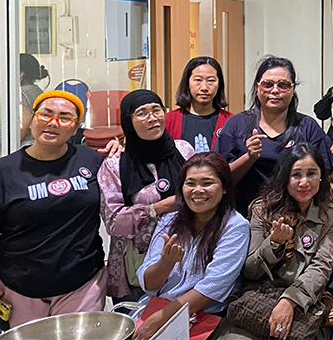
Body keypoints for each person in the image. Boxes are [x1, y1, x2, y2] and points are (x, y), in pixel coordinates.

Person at [0, 91, 105, 327]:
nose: (53, 122)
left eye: (65, 118)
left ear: (75, 128)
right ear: (32, 119)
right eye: (45, 114)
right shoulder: (2, 172)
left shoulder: (91, 160)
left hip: (81, 283)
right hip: (18, 286)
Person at [222, 144, 333, 340]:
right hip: (259, 296)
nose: (304, 182)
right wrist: (273, 244)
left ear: (321, 176)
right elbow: (251, 270)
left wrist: (290, 300)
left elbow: (321, 268)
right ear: (285, 178)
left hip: (304, 301)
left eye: (311, 174)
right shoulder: (262, 209)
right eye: (296, 175)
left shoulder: (330, 215)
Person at [133, 153, 249, 340]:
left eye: (207, 183)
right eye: (190, 183)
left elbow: (212, 287)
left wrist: (159, 319)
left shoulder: (235, 226)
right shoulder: (169, 220)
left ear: (225, 188)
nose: (198, 190)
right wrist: (165, 263)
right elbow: (148, 284)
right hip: (155, 306)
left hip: (203, 315)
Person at [99, 90, 196, 301]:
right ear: (128, 121)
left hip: (186, 256)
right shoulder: (115, 165)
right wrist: (156, 208)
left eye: (156, 110)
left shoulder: (184, 150)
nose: (152, 118)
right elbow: (113, 222)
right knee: (138, 320)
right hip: (137, 263)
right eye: (142, 113)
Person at [215, 55, 333, 216]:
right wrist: (249, 157)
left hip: (296, 217)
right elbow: (221, 179)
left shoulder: (308, 127)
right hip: (243, 215)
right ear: (257, 87)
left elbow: (324, 177)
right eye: (268, 84)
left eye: (283, 85)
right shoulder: (237, 124)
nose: (275, 90)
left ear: (293, 89)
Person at [165, 56, 233, 153]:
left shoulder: (230, 121)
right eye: (198, 80)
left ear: (219, 85)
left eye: (211, 80)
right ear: (187, 83)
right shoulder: (169, 120)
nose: (204, 87)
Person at [19, 52, 48, 146]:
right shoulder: (37, 91)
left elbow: (21, 128)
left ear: (20, 74)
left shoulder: (22, 94)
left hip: (22, 146)